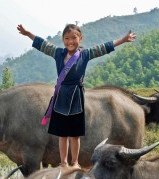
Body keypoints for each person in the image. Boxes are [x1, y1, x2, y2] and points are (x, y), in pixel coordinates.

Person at [17, 23, 136, 169]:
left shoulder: (85, 54)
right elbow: (43, 44)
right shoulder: (58, 53)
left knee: (74, 135)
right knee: (62, 134)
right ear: (63, 40)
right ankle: (63, 162)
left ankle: (75, 162)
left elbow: (104, 48)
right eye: (66, 38)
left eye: (74, 38)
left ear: (80, 38)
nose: (70, 41)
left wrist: (123, 40)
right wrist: (28, 33)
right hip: (61, 97)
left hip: (76, 98)